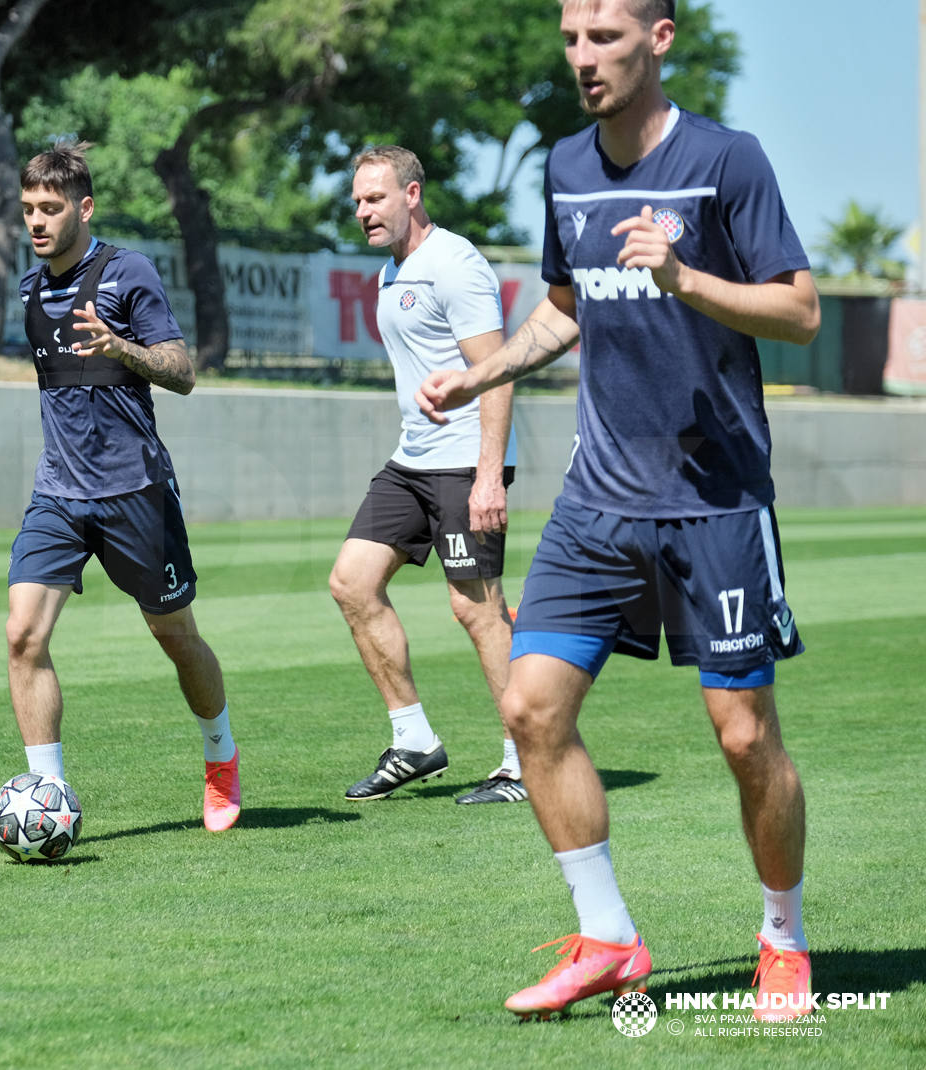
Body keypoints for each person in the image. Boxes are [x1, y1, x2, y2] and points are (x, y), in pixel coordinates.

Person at [418, 0, 819, 1022]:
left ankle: (782, 936)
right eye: (570, 39)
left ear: (660, 38)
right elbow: (565, 300)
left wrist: (685, 277)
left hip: (715, 498)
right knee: (528, 705)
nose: (583, 58)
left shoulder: (728, 160)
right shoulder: (564, 167)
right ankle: (606, 938)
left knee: (741, 736)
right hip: (598, 498)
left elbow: (799, 310)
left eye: (604, 37)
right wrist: (486, 373)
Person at [0, 143, 240, 835]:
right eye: (27, 210)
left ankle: (220, 759)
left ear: (84, 207)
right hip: (59, 494)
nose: (37, 223)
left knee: (176, 636)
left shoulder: (126, 272)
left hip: (136, 490)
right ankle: (48, 800)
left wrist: (120, 349)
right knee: (22, 636)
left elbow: (182, 370)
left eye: (50, 209)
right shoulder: (28, 289)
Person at [329, 145, 525, 807]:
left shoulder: (454, 263)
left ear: (412, 194)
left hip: (467, 461)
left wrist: (490, 477)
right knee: (352, 584)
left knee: (476, 607)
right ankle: (413, 741)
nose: (364, 211)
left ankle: (525, 759)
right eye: (358, 200)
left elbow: (496, 372)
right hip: (413, 460)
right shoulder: (392, 270)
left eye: (375, 198)